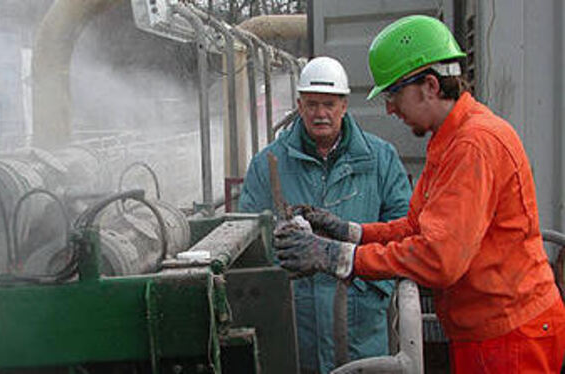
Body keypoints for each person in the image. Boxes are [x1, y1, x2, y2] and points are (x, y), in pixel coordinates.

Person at [273, 15, 565, 373]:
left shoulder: (474, 144)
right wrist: (351, 231)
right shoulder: (450, 140)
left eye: (394, 93)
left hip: (508, 337)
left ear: (429, 85)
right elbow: (417, 228)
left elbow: (439, 258)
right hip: (488, 331)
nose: (390, 108)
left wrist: (339, 258)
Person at [238, 56, 412, 374]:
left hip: (361, 323)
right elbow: (248, 240)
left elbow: (403, 231)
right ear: (299, 105)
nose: (321, 113)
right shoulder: (268, 164)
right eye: (312, 104)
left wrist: (375, 286)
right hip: (294, 326)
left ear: (344, 106)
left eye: (329, 104)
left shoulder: (380, 159)